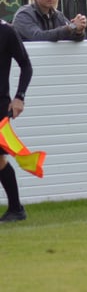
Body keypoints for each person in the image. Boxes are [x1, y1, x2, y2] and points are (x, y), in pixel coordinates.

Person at [0, 20, 33, 222]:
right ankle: (16, 208)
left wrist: (19, 97)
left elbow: (26, 65)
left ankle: (16, 208)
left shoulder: (6, 31)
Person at [12, 0, 87, 41]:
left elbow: (72, 36)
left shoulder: (58, 16)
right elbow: (38, 37)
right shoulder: (23, 15)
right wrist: (72, 26)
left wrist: (78, 31)